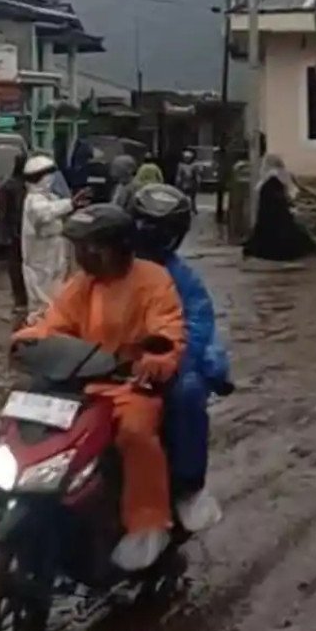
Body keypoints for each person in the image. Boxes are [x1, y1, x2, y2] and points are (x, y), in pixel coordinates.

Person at [15, 204, 186, 571]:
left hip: (130, 385)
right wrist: (29, 342)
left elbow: (167, 330)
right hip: (83, 383)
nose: (82, 256)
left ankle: (147, 524)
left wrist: (154, 358)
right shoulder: (82, 285)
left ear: (117, 246)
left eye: (90, 247)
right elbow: (55, 324)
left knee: (136, 433)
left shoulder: (153, 280)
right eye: (79, 248)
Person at [125, 184, 231, 533]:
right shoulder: (105, 266)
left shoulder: (182, 277)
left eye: (160, 232)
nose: (149, 237)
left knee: (186, 393)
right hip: (106, 361)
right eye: (143, 227)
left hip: (159, 363)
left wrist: (173, 357)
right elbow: (66, 312)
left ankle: (187, 486)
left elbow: (198, 323)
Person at [20, 154, 76, 313]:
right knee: (42, 296)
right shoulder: (33, 200)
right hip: (40, 258)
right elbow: (44, 213)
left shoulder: (49, 197)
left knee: (57, 290)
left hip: (54, 252)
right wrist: (70, 204)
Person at [242, 154, 316, 262]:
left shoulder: (265, 183)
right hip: (284, 231)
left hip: (267, 232)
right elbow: (292, 197)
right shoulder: (283, 179)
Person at [0, 152, 29, 316]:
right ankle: (20, 299)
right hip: (15, 231)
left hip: (27, 231)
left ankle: (27, 296)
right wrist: (4, 234)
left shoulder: (29, 185)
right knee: (15, 267)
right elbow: (2, 213)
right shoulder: (8, 186)